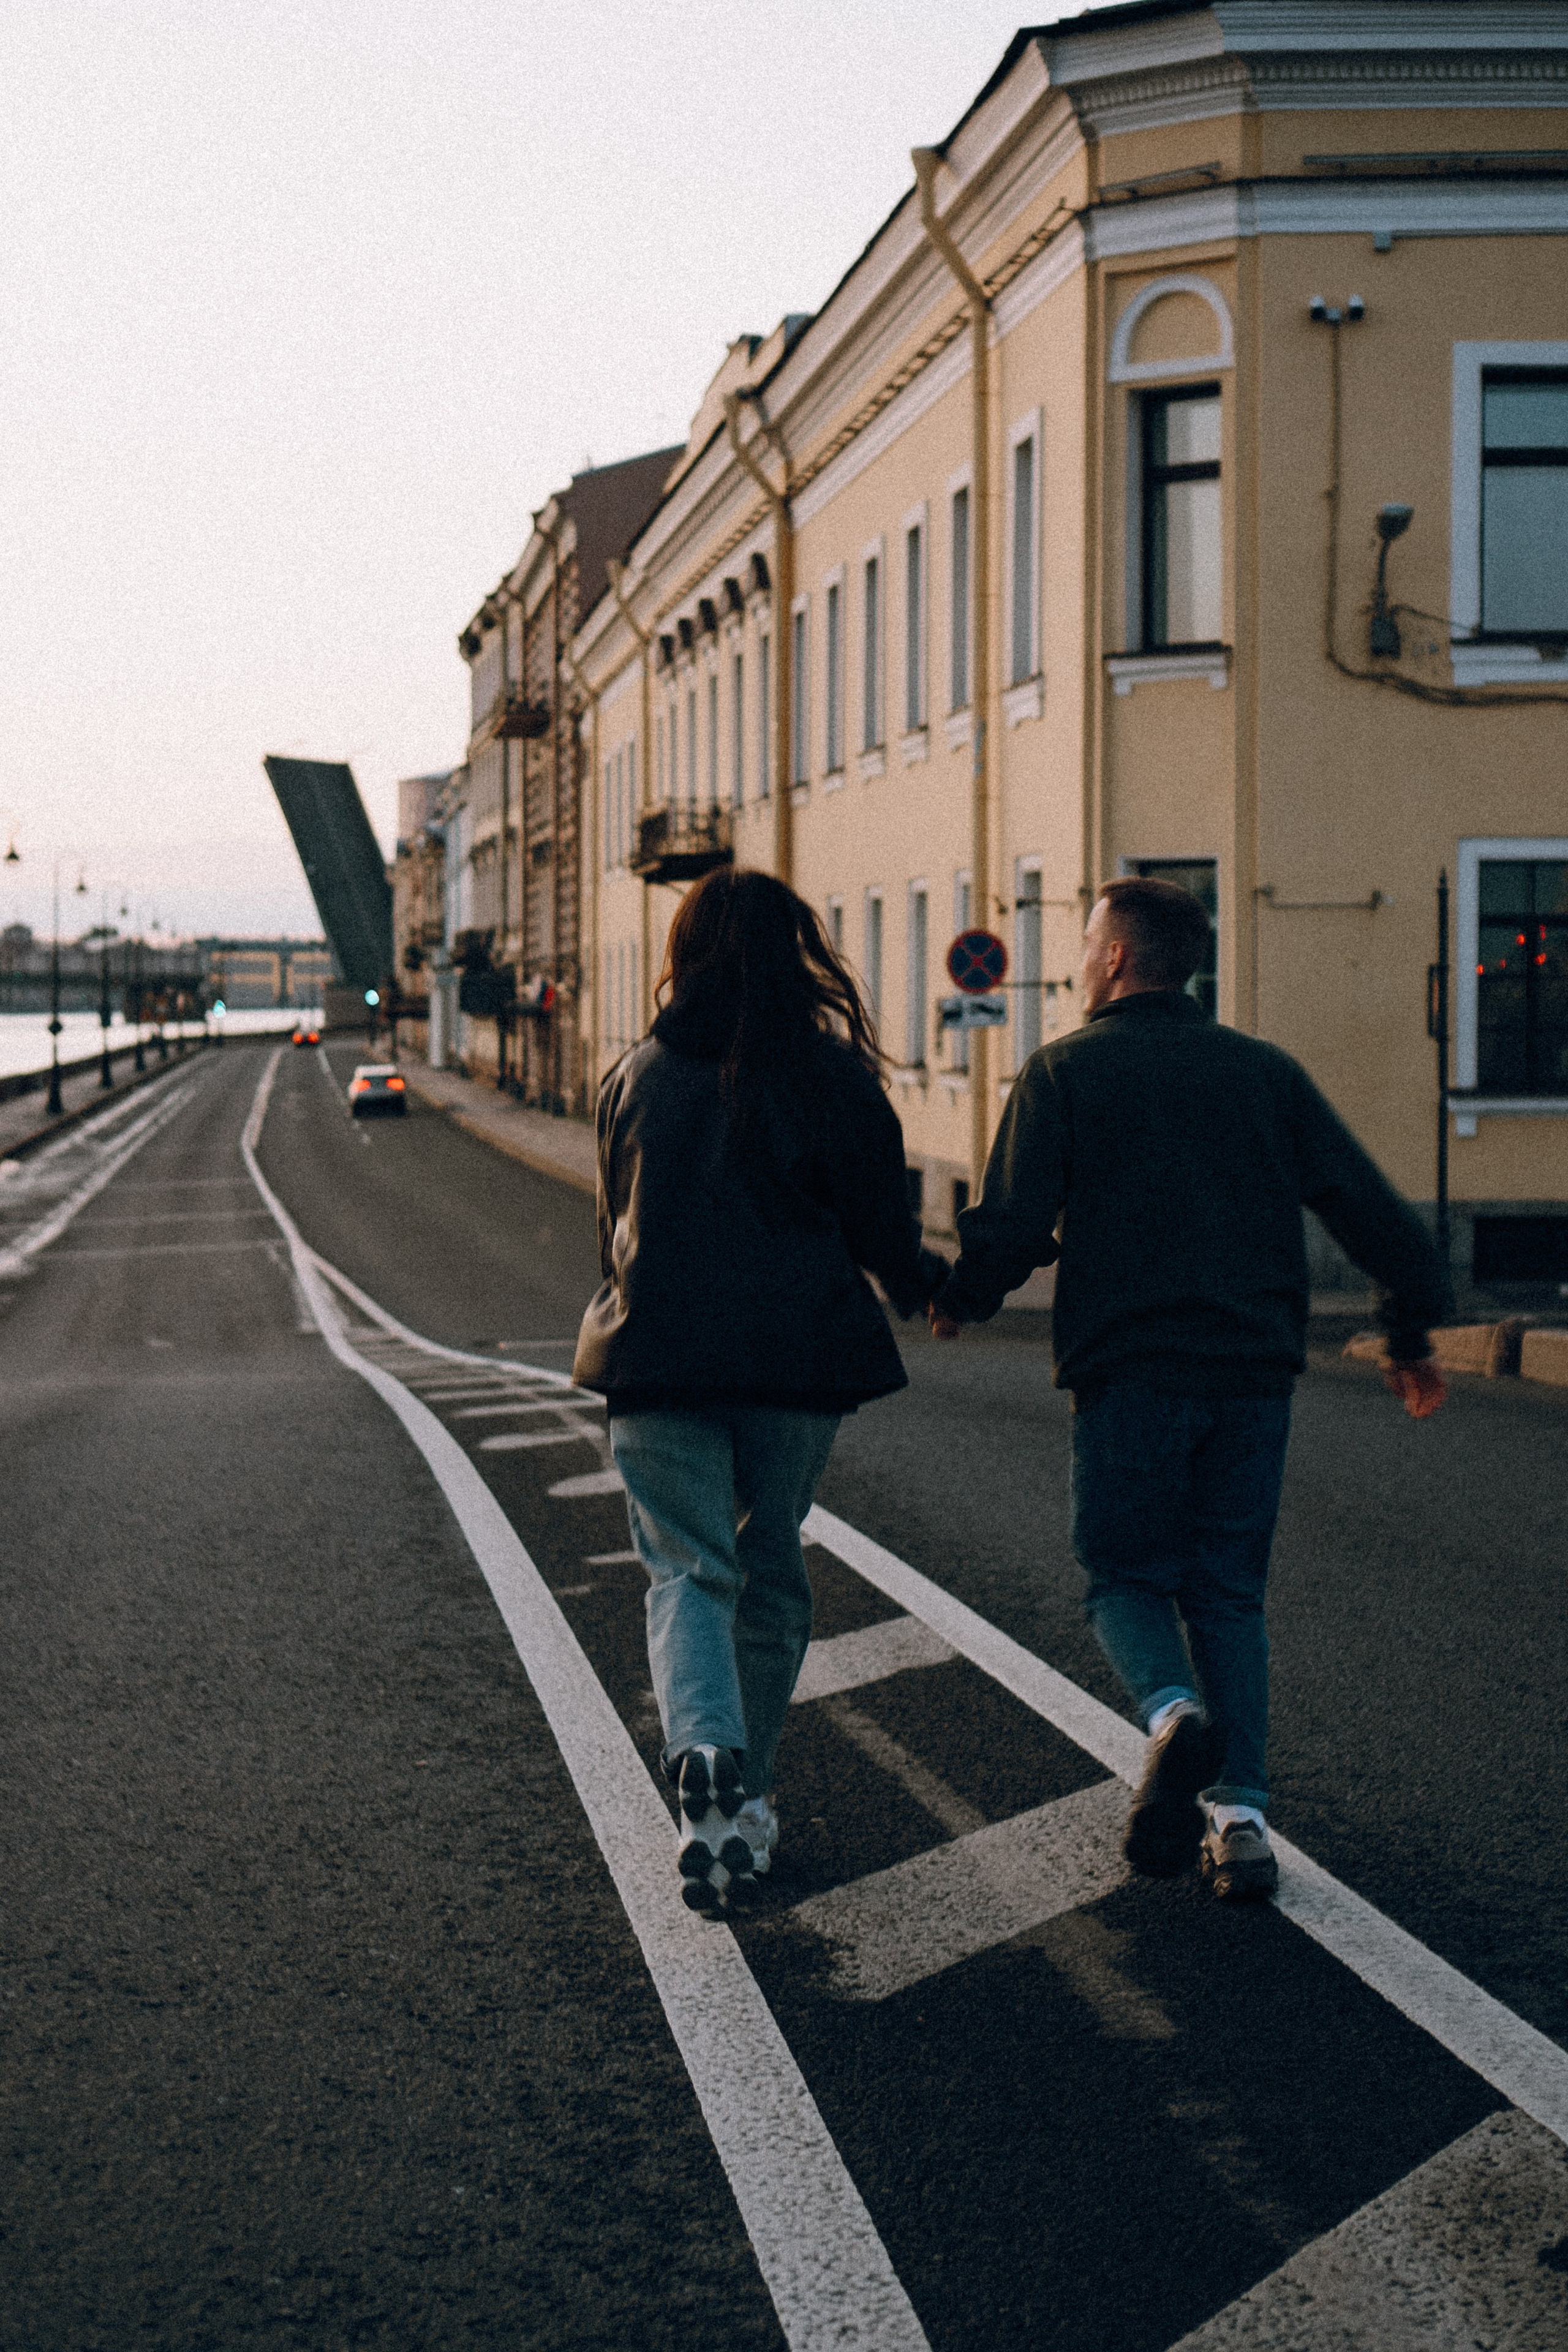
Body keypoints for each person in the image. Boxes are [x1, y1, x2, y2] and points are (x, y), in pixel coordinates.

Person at [931, 876, 1451, 1901]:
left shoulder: (1065, 1070)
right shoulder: (1265, 1074)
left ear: (1117, 958)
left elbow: (1017, 1221)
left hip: (1129, 1370)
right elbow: (1368, 1207)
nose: (1080, 966)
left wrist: (963, 1295)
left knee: (1123, 1576)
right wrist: (1407, 1328)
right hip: (1252, 1372)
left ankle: (1174, 1717)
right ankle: (1244, 1823)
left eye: (1087, 946)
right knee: (1227, 1590)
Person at [573, 867, 948, 1912]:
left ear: (683, 955)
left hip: (657, 1363)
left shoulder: (636, 1074)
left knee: (687, 1572)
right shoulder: (832, 1078)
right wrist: (932, 1289)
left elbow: (610, 1230)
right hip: (794, 1368)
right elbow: (883, 1231)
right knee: (771, 1567)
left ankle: (703, 1749)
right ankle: (748, 1801)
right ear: (797, 956)